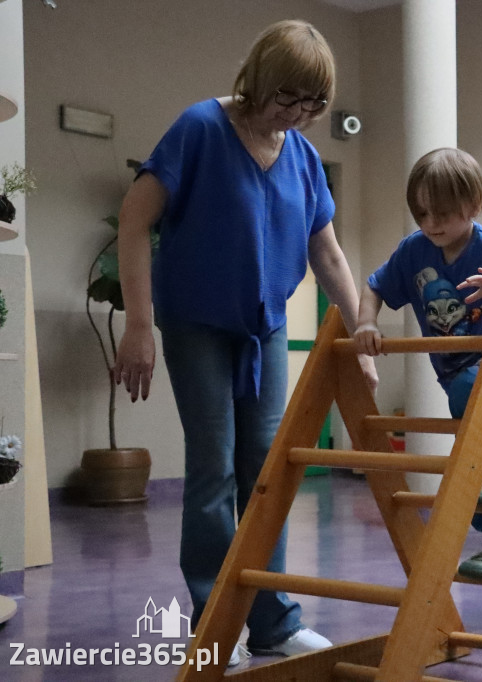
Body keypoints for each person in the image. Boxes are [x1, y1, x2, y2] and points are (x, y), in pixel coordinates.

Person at [113, 20, 376, 665]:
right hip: (196, 323)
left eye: (315, 105)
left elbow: (328, 254)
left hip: (265, 326)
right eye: (289, 99)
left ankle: (273, 621)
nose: (301, 115)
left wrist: (363, 335)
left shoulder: (304, 155)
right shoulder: (200, 128)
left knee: (269, 469)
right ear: (258, 81)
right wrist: (139, 325)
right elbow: (133, 218)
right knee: (213, 468)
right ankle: (216, 625)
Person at [352, 147, 482, 581]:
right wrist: (366, 322)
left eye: (442, 213)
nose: (431, 224)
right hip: (457, 368)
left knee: (477, 435)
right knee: (467, 466)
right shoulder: (414, 251)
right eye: (422, 214)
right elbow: (374, 286)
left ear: (473, 206)